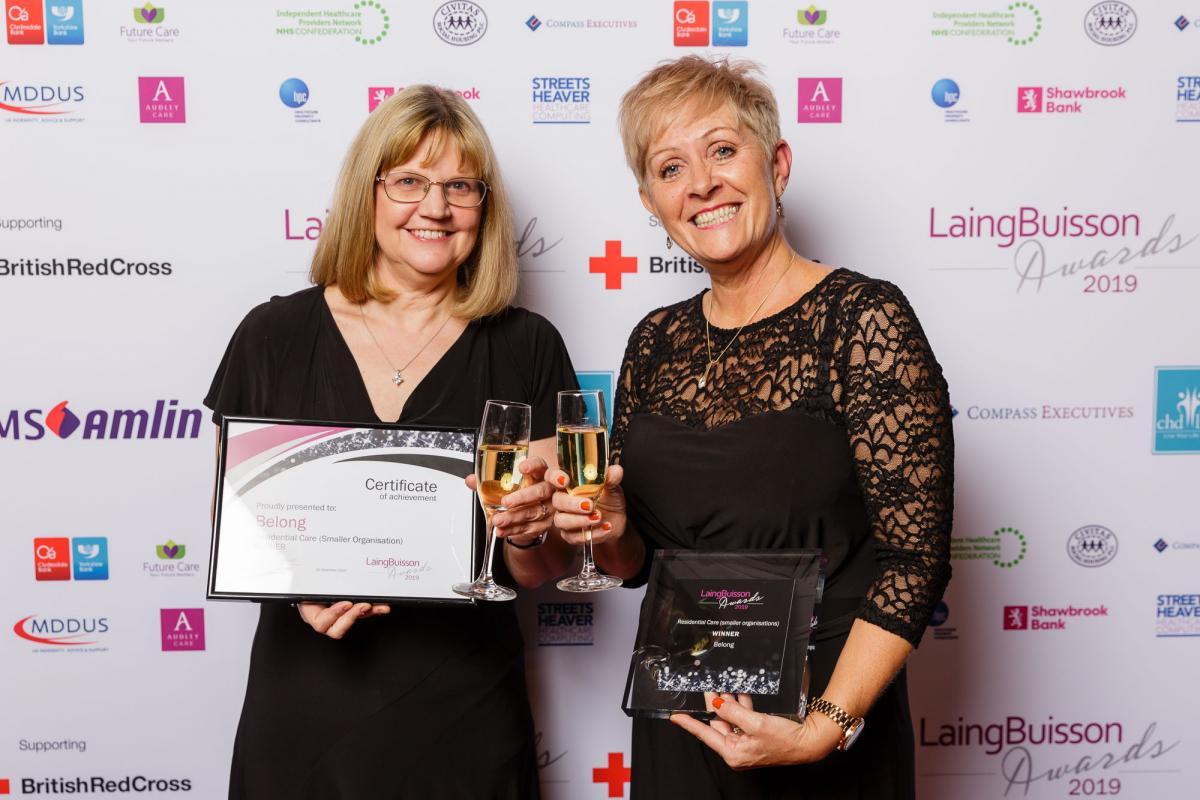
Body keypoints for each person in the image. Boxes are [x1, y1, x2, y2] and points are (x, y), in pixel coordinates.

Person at [550, 56, 954, 798]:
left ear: (778, 163)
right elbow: (640, 563)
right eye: (671, 167)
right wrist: (609, 532)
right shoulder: (654, 340)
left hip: (821, 731)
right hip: (683, 724)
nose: (701, 183)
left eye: (723, 151)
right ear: (651, 199)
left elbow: (913, 562)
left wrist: (824, 728)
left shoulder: (864, 319)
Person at [205, 85, 578, 799]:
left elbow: (542, 567)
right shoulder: (273, 335)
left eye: (458, 186)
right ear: (367, 193)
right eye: (408, 181)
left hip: (465, 713)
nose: (434, 208)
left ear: (483, 206)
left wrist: (530, 534)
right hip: (307, 713)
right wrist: (293, 590)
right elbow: (238, 526)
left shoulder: (528, 345)